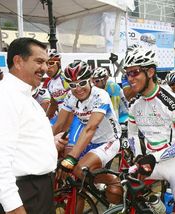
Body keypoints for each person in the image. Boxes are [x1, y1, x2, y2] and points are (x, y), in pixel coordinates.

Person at [0, 38, 67, 214]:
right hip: (23, 196)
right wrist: (14, 208)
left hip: (37, 191)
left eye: (46, 63)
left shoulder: (21, 95)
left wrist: (50, 142)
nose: (45, 69)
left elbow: (20, 138)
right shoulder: (1, 98)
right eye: (39, 62)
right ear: (18, 61)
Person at [124, 45, 175, 213]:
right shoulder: (135, 105)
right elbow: (132, 135)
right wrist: (139, 156)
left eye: (134, 72)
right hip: (152, 162)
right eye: (127, 73)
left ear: (150, 72)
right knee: (118, 189)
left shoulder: (172, 102)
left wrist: (152, 157)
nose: (130, 78)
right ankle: (154, 201)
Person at [53, 60, 123, 205]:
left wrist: (72, 158)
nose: (78, 89)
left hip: (109, 140)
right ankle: (92, 185)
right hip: (90, 141)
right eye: (73, 85)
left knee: (79, 169)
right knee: (77, 185)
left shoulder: (100, 95)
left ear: (90, 80)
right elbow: (59, 124)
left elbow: (90, 128)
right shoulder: (71, 97)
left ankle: (115, 183)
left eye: (82, 83)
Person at [45, 49, 70, 119]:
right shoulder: (49, 84)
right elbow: (53, 104)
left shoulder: (65, 78)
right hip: (61, 117)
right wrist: (45, 119)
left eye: (51, 63)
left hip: (73, 117)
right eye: (46, 64)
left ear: (59, 64)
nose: (48, 67)